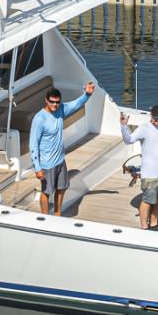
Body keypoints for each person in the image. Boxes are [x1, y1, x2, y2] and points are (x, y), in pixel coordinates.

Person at [29, 80, 94, 215]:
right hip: (46, 164)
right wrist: (37, 168)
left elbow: (76, 104)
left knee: (62, 188)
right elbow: (33, 144)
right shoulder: (39, 119)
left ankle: (57, 213)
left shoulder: (60, 110)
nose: (55, 104)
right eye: (52, 101)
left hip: (60, 160)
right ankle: (44, 217)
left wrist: (87, 95)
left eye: (57, 102)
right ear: (46, 100)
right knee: (46, 192)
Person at [120, 105, 158, 229]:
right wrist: (123, 126)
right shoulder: (143, 128)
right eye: (156, 117)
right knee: (147, 201)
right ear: (151, 115)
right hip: (150, 174)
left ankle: (154, 223)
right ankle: (144, 226)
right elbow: (129, 140)